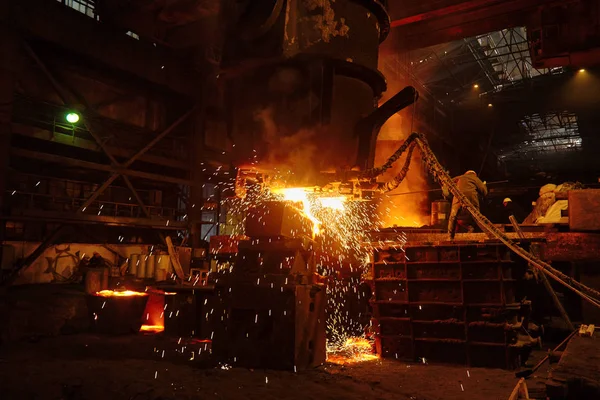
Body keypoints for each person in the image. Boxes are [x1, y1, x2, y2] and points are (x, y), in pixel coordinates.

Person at [447, 170, 488, 239]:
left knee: (453, 217)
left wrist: (448, 196)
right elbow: (484, 191)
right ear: (474, 174)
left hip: (457, 199)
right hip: (471, 199)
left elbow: (447, 184)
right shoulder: (475, 178)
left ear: (465, 173)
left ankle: (450, 237)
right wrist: (484, 185)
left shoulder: (459, 178)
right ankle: (489, 234)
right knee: (478, 218)